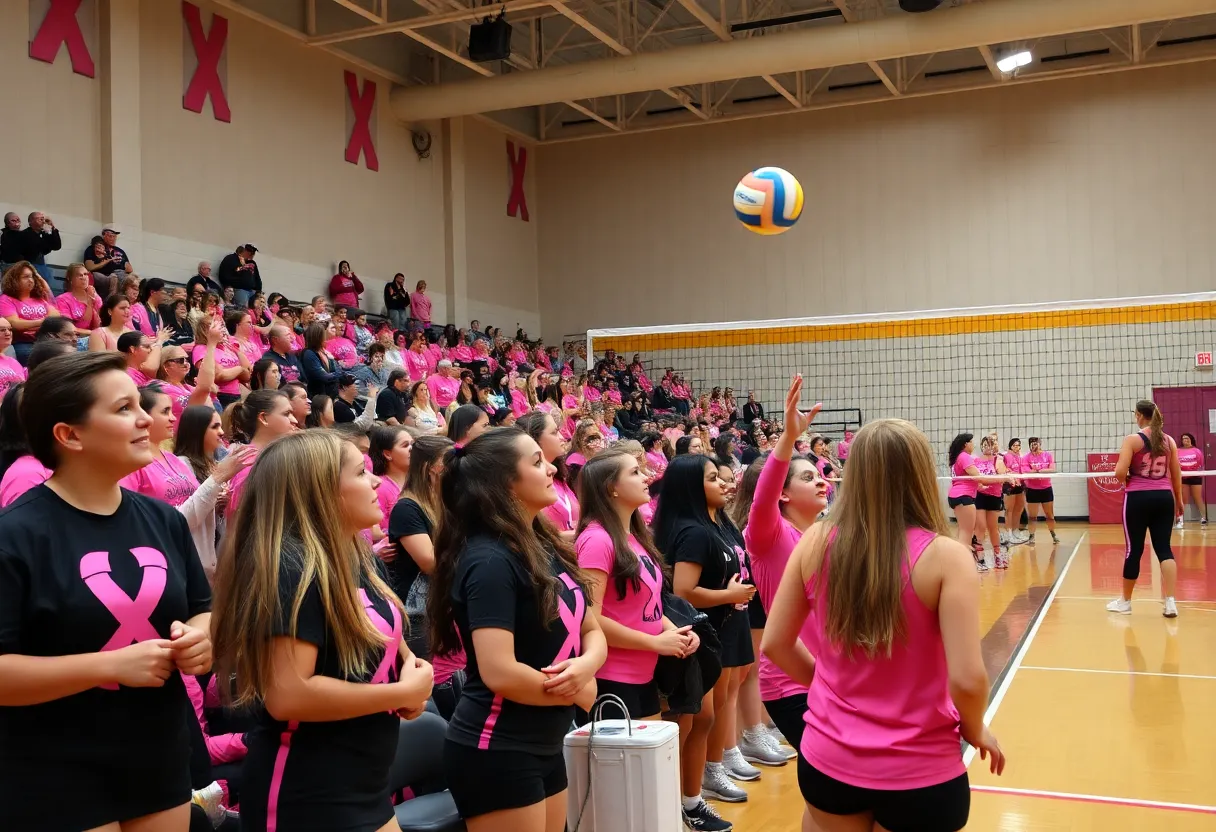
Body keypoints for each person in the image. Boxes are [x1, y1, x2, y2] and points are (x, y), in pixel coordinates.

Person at [0, 351, 213, 831]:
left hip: (156, 752)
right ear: (69, 435)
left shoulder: (161, 520)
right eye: (123, 409)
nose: (146, 419)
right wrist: (109, 665)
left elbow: (203, 608)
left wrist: (202, 637)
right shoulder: (16, 535)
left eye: (140, 404)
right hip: (53, 767)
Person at [762, 418, 1004, 832]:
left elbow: (775, 644)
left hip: (828, 758)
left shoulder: (815, 541)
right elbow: (967, 679)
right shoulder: (947, 556)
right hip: (919, 767)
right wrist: (975, 727)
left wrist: (827, 687)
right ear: (920, 475)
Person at [211, 430, 434, 831]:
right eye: (360, 472)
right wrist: (400, 692)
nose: (376, 482)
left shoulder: (358, 557)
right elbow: (290, 696)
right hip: (306, 794)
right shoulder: (289, 568)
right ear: (320, 491)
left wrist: (410, 682)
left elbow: (386, 656)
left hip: (365, 783)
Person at [428, 428, 607, 832]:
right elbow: (499, 671)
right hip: (496, 745)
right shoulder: (488, 560)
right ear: (505, 482)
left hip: (544, 738)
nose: (551, 467)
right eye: (536, 461)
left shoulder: (542, 544)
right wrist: (576, 688)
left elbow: (590, 626)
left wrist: (587, 666)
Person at [653, 453, 757, 821]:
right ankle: (681, 799)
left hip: (721, 625)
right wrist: (728, 596)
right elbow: (683, 591)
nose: (724, 483)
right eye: (713, 478)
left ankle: (692, 796)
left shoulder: (719, 522)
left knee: (710, 713)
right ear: (691, 488)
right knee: (692, 720)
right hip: (697, 632)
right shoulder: (693, 531)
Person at [734, 375, 828, 762]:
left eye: (820, 474)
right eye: (809, 477)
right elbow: (763, 495)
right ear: (784, 494)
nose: (822, 481)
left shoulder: (823, 533)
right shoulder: (769, 536)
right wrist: (787, 440)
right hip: (791, 682)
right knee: (828, 780)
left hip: (828, 673)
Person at [575, 449, 697, 722]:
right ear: (611, 489)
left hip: (643, 674)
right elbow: (590, 619)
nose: (646, 478)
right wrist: (655, 642)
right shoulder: (597, 540)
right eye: (635, 472)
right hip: (612, 677)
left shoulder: (634, 537)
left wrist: (676, 633)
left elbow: (646, 604)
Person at [1108, 400, 1183, 618]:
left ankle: (1125, 602)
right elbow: (1176, 474)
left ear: (1140, 415)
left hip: (1138, 498)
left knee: (1134, 550)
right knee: (1164, 549)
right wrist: (1178, 500)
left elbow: (1119, 472)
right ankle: (1170, 602)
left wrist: (1127, 479)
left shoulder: (1133, 439)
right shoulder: (1169, 441)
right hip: (1164, 497)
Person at [1022, 437, 1060, 545]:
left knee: (1050, 515)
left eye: (1036, 444)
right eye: (1032, 444)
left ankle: (1053, 534)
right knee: (1032, 516)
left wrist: (1037, 470)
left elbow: (1052, 469)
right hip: (1032, 489)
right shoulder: (1026, 457)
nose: (1034, 446)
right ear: (1029, 445)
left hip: (1046, 489)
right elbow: (1026, 471)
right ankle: (1031, 537)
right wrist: (1039, 472)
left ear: (1040, 444)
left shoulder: (1047, 455)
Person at [1176, 432, 1206, 527]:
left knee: (1198, 498)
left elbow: (1201, 464)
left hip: (1196, 477)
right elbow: (1175, 463)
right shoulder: (1178, 451)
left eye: (1187, 438)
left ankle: (1204, 518)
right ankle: (1180, 519)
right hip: (1183, 477)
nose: (1185, 440)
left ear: (1191, 440)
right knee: (1184, 499)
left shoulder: (1197, 451)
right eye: (1184, 438)